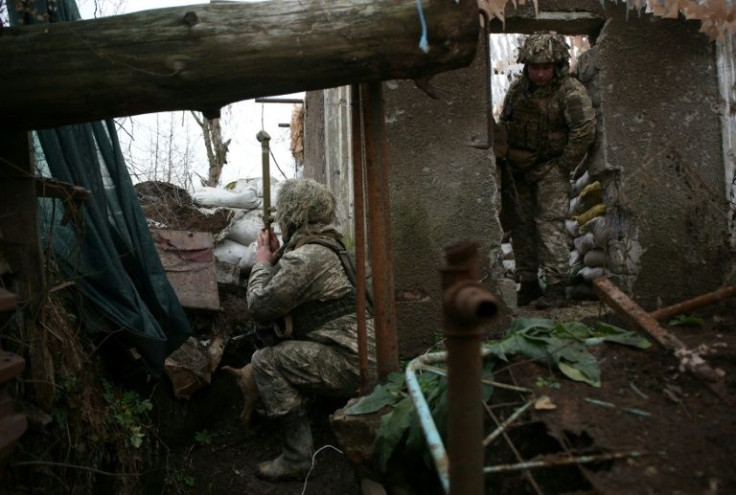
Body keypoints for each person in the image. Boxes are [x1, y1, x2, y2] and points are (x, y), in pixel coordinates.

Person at [246, 178, 376, 481]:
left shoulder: (308, 257)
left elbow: (259, 305)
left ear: (291, 215)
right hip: (368, 357)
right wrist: (279, 256)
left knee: (264, 360)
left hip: (351, 364)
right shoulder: (333, 248)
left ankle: (297, 457)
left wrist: (263, 262)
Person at [497, 33, 596, 309]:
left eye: (546, 67)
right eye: (534, 67)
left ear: (557, 65)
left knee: (549, 223)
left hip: (552, 167)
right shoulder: (518, 91)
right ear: (526, 66)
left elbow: (584, 129)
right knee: (521, 224)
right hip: (520, 169)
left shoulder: (569, 91)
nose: (540, 74)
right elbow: (504, 124)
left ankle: (555, 286)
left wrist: (563, 165)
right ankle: (528, 283)